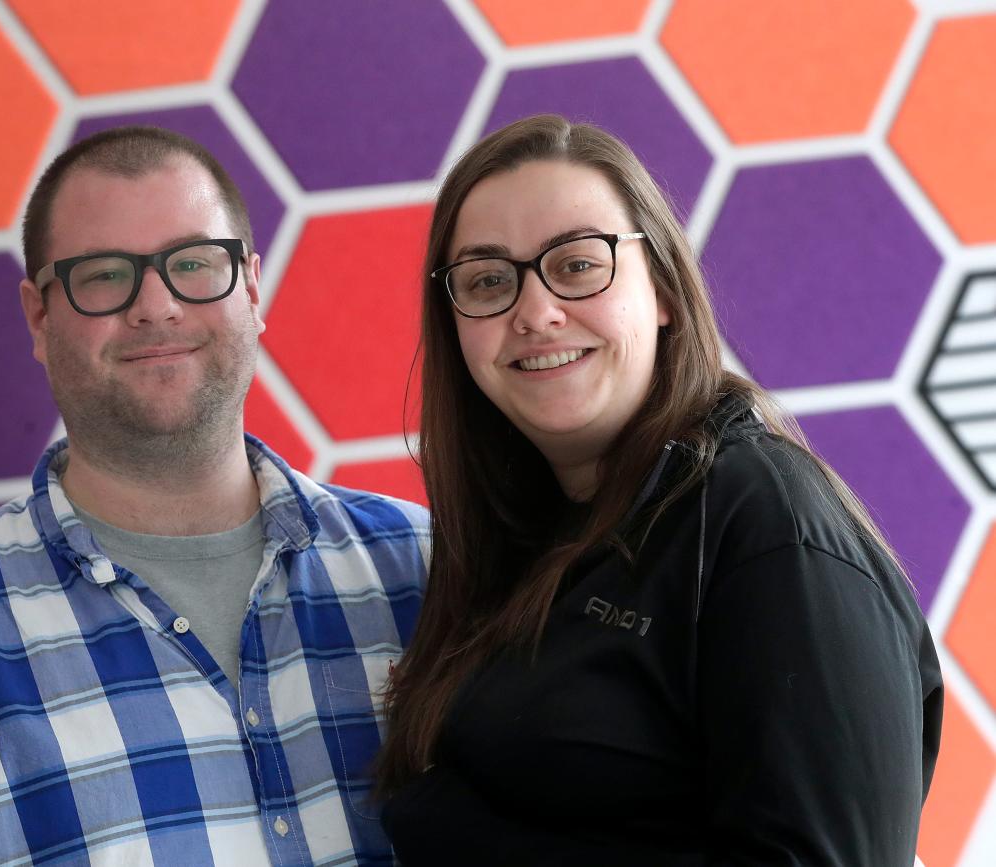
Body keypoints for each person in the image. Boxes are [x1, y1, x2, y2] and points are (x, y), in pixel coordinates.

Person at [0, 126, 429, 866]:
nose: (156, 305)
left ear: (251, 288)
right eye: (103, 274)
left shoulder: (423, 567)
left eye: (193, 262)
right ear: (38, 315)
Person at [376, 114, 942, 866]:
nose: (535, 311)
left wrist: (456, 833)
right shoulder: (513, 536)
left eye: (577, 265)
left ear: (665, 290)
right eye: (487, 280)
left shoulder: (764, 522)